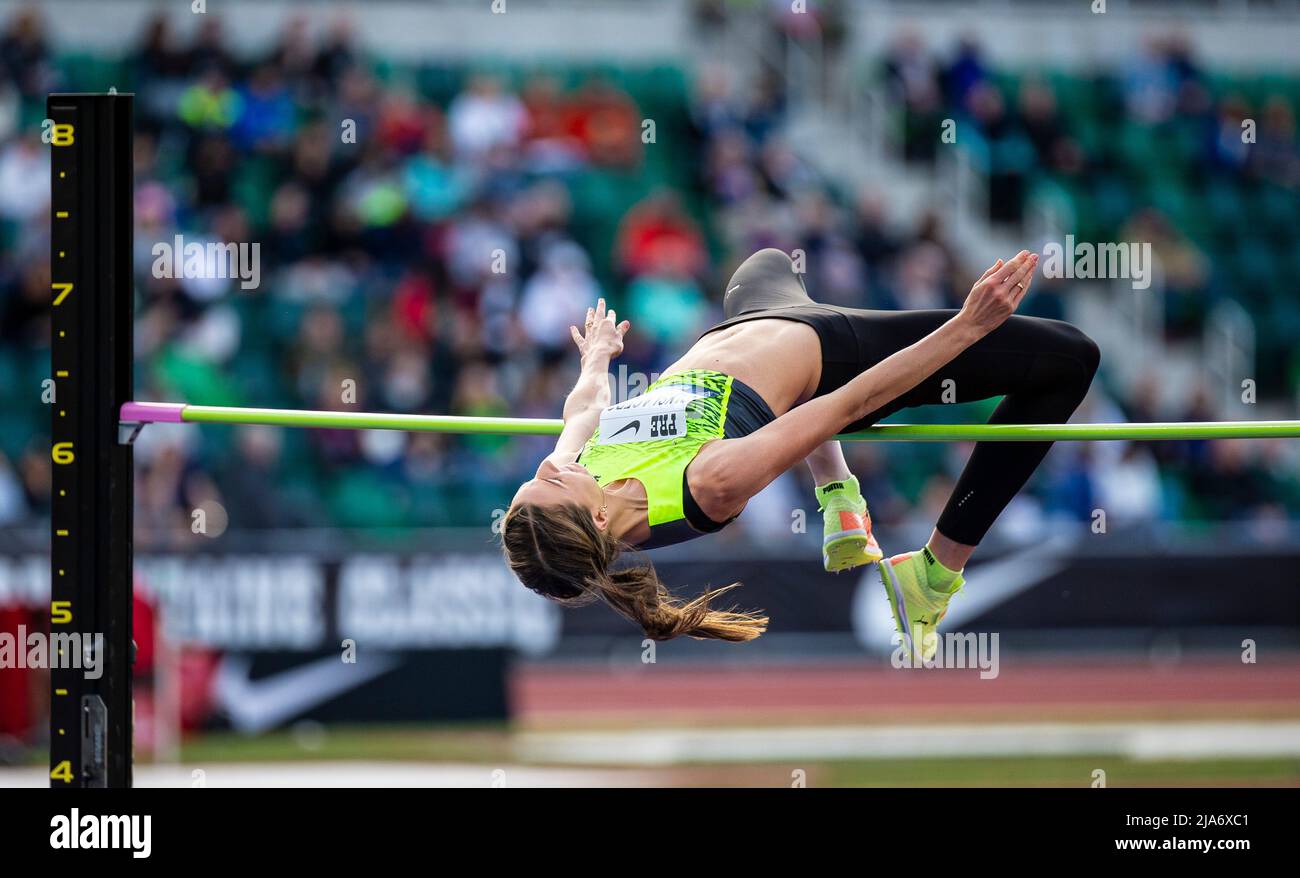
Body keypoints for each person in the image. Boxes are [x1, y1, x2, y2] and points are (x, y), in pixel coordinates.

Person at [502, 248, 1099, 659]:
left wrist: (596, 358)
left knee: (768, 261)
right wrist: (968, 326)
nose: (551, 464)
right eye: (551, 482)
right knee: (1072, 357)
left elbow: (581, 411)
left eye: (537, 475)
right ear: (598, 519)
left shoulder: (576, 475)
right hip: (836, 350)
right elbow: (839, 407)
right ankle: (934, 573)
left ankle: (840, 502)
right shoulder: (708, 484)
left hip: (760, 313)